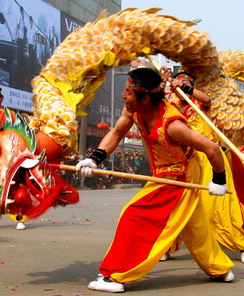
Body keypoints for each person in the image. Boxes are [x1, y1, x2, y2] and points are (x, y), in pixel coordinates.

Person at [76, 68, 234, 293]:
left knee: (134, 215)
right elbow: (117, 133)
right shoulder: (134, 110)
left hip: (181, 175)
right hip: (163, 173)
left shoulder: (172, 125)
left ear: (146, 97)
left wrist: (219, 180)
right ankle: (220, 269)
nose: (124, 96)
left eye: (129, 92)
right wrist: (94, 159)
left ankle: (118, 275)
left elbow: (212, 149)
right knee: (195, 226)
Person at [162, 69, 244, 264]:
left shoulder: (200, 102)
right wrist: (163, 84)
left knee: (221, 205)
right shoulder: (170, 103)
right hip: (184, 159)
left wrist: (183, 87)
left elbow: (208, 100)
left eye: (186, 83)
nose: (180, 86)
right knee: (178, 205)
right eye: (178, 81)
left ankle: (241, 246)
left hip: (209, 157)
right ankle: (167, 247)